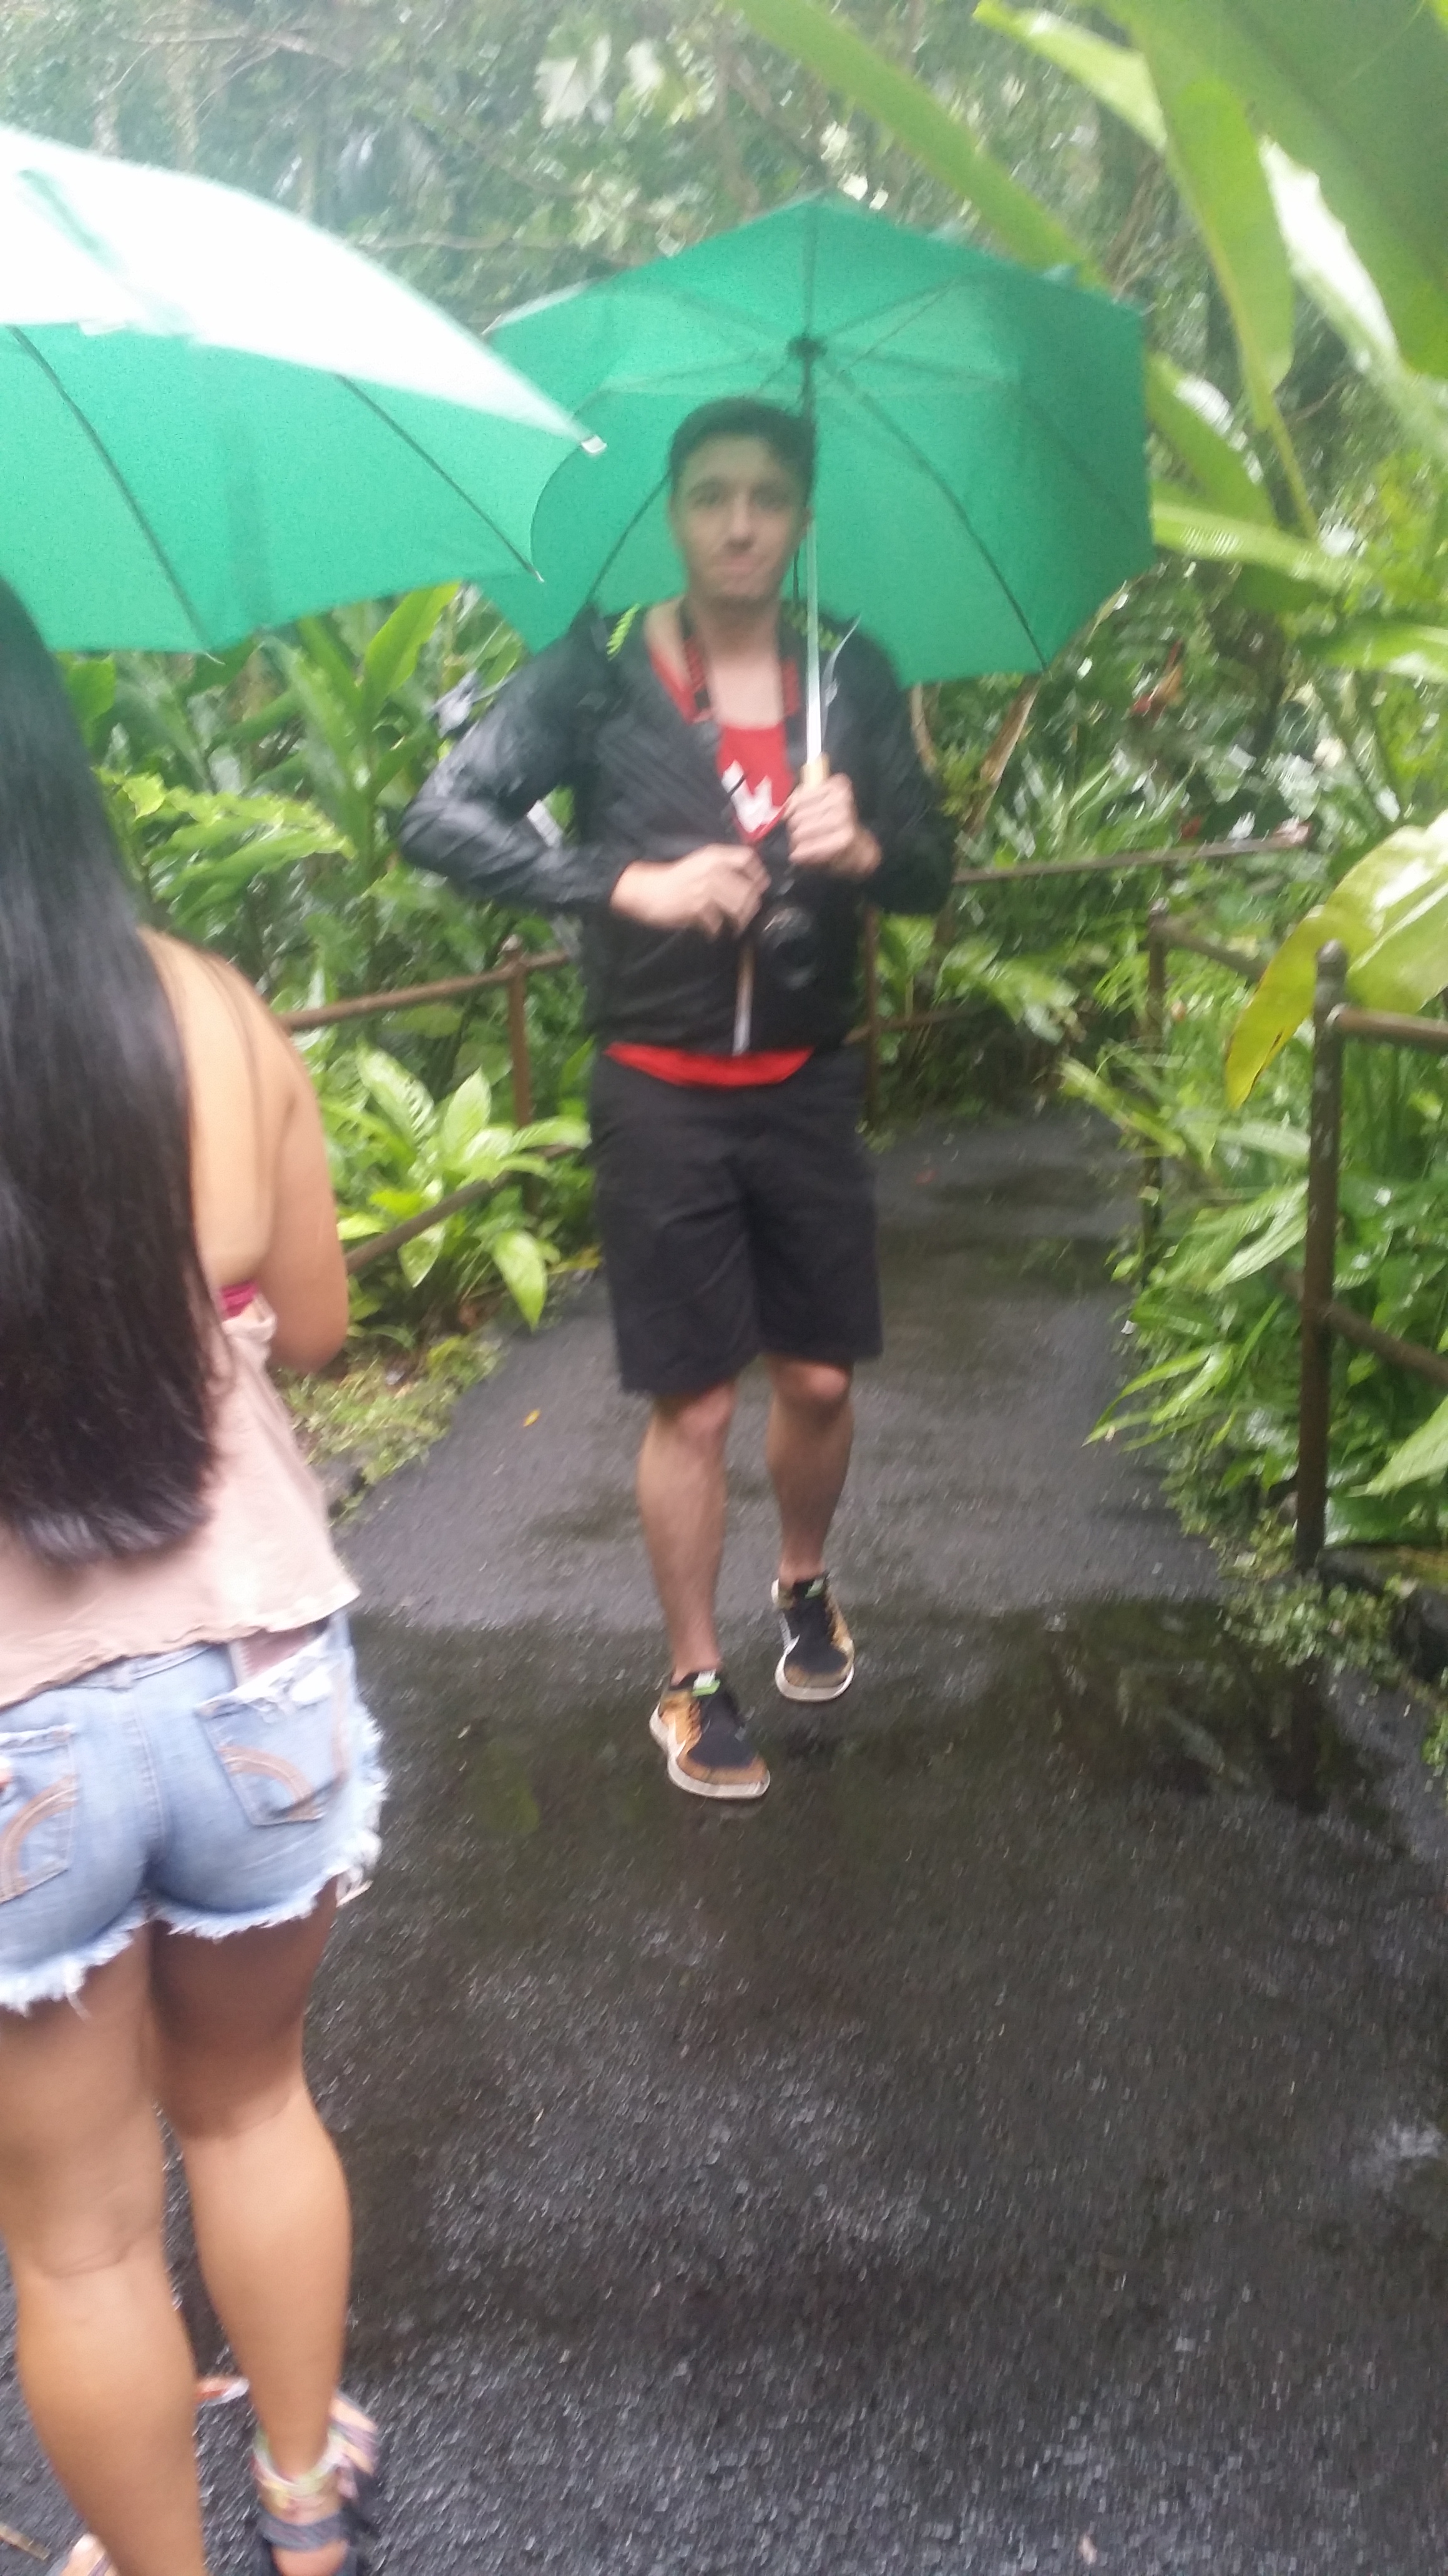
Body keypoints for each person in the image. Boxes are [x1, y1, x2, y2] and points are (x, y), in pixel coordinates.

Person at [401, 397, 952, 1802]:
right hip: (657, 1089)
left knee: (817, 1379)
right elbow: (440, 817)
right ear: (674, 511)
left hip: (807, 1081)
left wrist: (864, 846)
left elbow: (933, 867)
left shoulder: (852, 675)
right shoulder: (595, 673)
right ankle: (692, 1679)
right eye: (712, 495)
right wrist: (623, 883)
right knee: (695, 1405)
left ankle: (803, 1579)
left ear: (803, 517)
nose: (739, 523)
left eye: (767, 496)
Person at [0, 579, 383, 2576]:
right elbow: (314, 1323)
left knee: (78, 2239)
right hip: (257, 1675)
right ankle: (305, 2505)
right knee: (250, 2107)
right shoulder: (213, 1007)